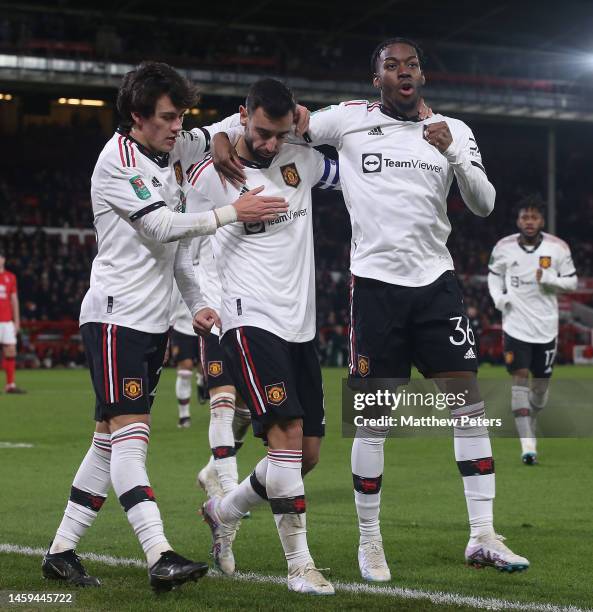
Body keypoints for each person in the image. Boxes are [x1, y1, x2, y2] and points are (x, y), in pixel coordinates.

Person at [214, 38, 529, 579]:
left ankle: (482, 535)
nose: (403, 71)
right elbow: (273, 114)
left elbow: (484, 204)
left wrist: (452, 148)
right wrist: (219, 134)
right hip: (378, 290)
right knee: (375, 422)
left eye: (411, 64)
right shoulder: (348, 121)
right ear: (376, 78)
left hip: (437, 283)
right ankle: (369, 542)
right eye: (391, 65)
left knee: (470, 405)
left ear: (422, 76)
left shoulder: (456, 130)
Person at [41, 61, 288, 592]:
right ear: (137, 117)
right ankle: (160, 555)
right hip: (115, 317)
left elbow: (226, 128)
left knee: (107, 443)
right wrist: (231, 213)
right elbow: (159, 224)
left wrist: (198, 303)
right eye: (168, 118)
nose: (179, 127)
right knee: (131, 442)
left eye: (181, 117)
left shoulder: (170, 147)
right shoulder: (118, 161)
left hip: (150, 323)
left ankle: (61, 552)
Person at [192, 78, 340, 595]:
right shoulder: (214, 169)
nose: (270, 144)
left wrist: (312, 123)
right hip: (248, 316)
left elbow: (352, 164)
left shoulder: (301, 151)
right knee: (285, 441)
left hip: (300, 322)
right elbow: (179, 151)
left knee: (308, 456)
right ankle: (300, 565)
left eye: (279, 133)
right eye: (259, 131)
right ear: (242, 116)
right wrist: (219, 134)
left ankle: (223, 510)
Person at [488, 196, 577, 465]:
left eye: (534, 217)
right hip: (515, 325)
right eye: (525, 217)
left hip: (546, 326)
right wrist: (499, 299)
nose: (529, 222)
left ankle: (530, 417)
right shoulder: (503, 247)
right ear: (518, 220)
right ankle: (528, 445)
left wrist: (549, 280)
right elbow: (493, 275)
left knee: (539, 387)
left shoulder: (558, 248)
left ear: (541, 220)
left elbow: (572, 283)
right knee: (520, 377)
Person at [169, 269, 207, 430]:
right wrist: (169, 323)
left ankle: (201, 381)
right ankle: (184, 415)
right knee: (185, 369)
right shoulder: (179, 265)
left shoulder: (207, 266)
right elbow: (172, 296)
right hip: (183, 326)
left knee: (204, 369)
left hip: (205, 325)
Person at [0, 250, 25, 394]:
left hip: (7, 320)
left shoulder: (10, 277)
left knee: (10, 350)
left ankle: (10, 385)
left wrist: (17, 321)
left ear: (4, 260)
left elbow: (14, 300)